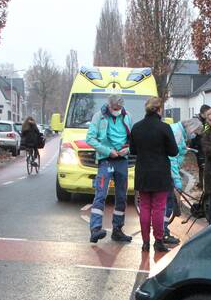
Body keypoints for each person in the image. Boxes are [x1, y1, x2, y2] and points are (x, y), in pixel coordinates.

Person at [129, 97, 178, 252]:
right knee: (159, 208)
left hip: (142, 172)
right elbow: (173, 151)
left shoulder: (136, 127)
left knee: (144, 207)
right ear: (159, 109)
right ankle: (158, 240)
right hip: (160, 173)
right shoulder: (164, 128)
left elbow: (133, 150)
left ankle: (145, 242)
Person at [86, 94, 134, 243]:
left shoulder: (127, 117)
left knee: (121, 197)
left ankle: (117, 230)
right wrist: (108, 151)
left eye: (119, 108)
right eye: (115, 108)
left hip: (122, 160)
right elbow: (90, 139)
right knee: (100, 194)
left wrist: (128, 149)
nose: (117, 110)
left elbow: (132, 139)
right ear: (109, 105)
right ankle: (95, 229)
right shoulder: (98, 117)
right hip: (106, 160)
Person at [162, 118, 202, 245]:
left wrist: (185, 149)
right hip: (166, 171)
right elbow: (172, 158)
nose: (194, 135)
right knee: (168, 202)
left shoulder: (178, 131)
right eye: (195, 132)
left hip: (166, 169)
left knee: (167, 202)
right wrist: (176, 178)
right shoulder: (177, 133)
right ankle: (163, 231)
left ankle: (163, 229)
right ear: (191, 128)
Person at [189, 104, 211, 188]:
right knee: (202, 165)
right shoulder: (197, 121)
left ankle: (202, 183)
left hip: (202, 146)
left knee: (203, 165)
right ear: (203, 113)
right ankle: (203, 184)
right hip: (199, 146)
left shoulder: (205, 121)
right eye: (207, 113)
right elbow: (201, 133)